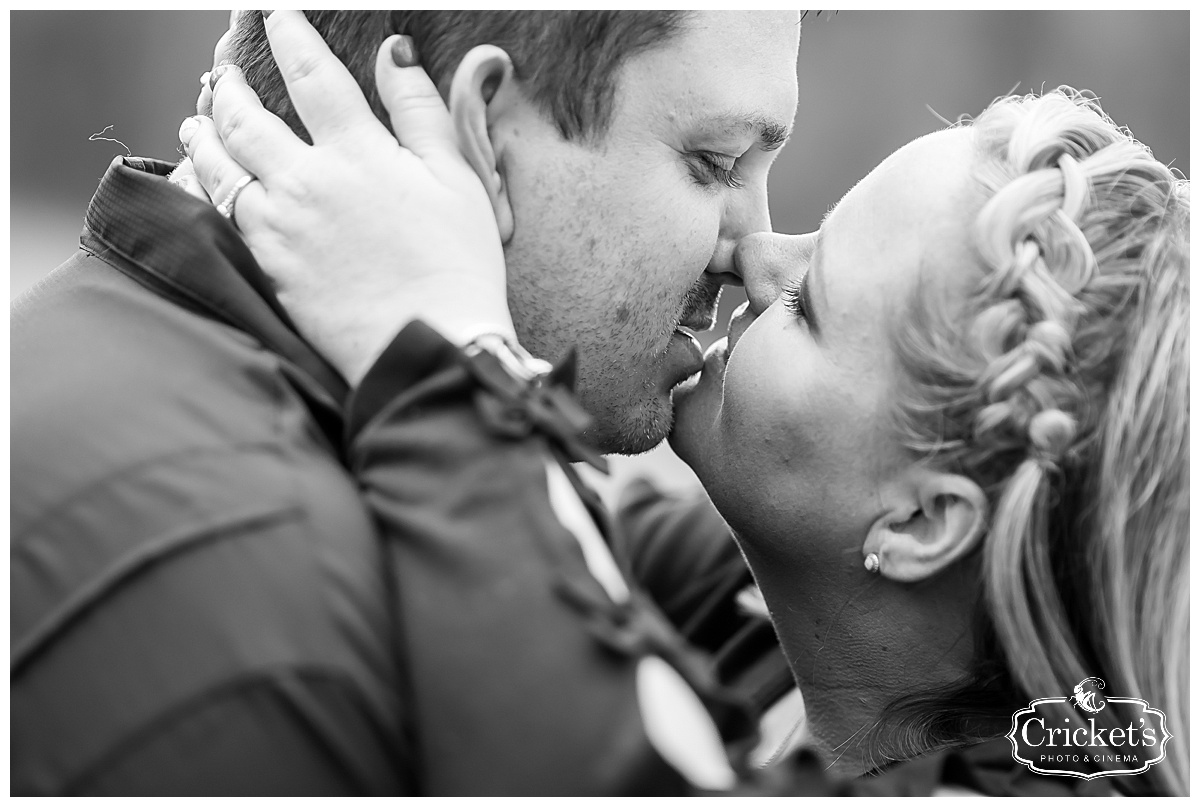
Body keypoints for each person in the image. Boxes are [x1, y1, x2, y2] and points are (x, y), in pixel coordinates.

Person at [186, 18, 1189, 794]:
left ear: (924, 522)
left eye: (810, 304)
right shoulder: (755, 626)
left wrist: (444, 344)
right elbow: (553, 547)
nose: (759, 258)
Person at [10, 10, 800, 795]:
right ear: (484, 132)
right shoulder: (280, 637)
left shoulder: (114, 346)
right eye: (716, 161)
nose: (757, 249)